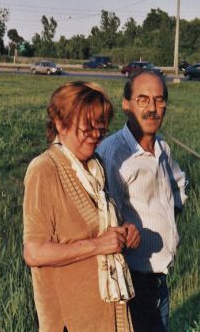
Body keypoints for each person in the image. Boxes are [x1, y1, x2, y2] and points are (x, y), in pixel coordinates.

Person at [23, 81, 141, 331]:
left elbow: (101, 230)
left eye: (101, 126)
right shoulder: (44, 170)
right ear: (60, 123)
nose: (97, 134)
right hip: (70, 320)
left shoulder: (94, 167)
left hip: (107, 313)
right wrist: (99, 245)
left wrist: (124, 233)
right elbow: (34, 253)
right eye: (88, 127)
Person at [97, 71, 188, 332]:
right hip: (133, 282)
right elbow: (105, 220)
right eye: (143, 100)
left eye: (159, 100)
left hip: (160, 276)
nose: (152, 109)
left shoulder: (162, 148)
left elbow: (180, 184)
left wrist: (170, 216)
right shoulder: (114, 155)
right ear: (126, 105)